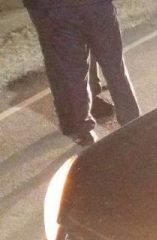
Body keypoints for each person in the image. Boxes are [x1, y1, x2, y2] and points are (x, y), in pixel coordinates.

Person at [25, 0, 140, 147]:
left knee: (73, 73)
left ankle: (83, 130)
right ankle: (131, 120)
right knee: (114, 66)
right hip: (96, 6)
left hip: (57, 10)